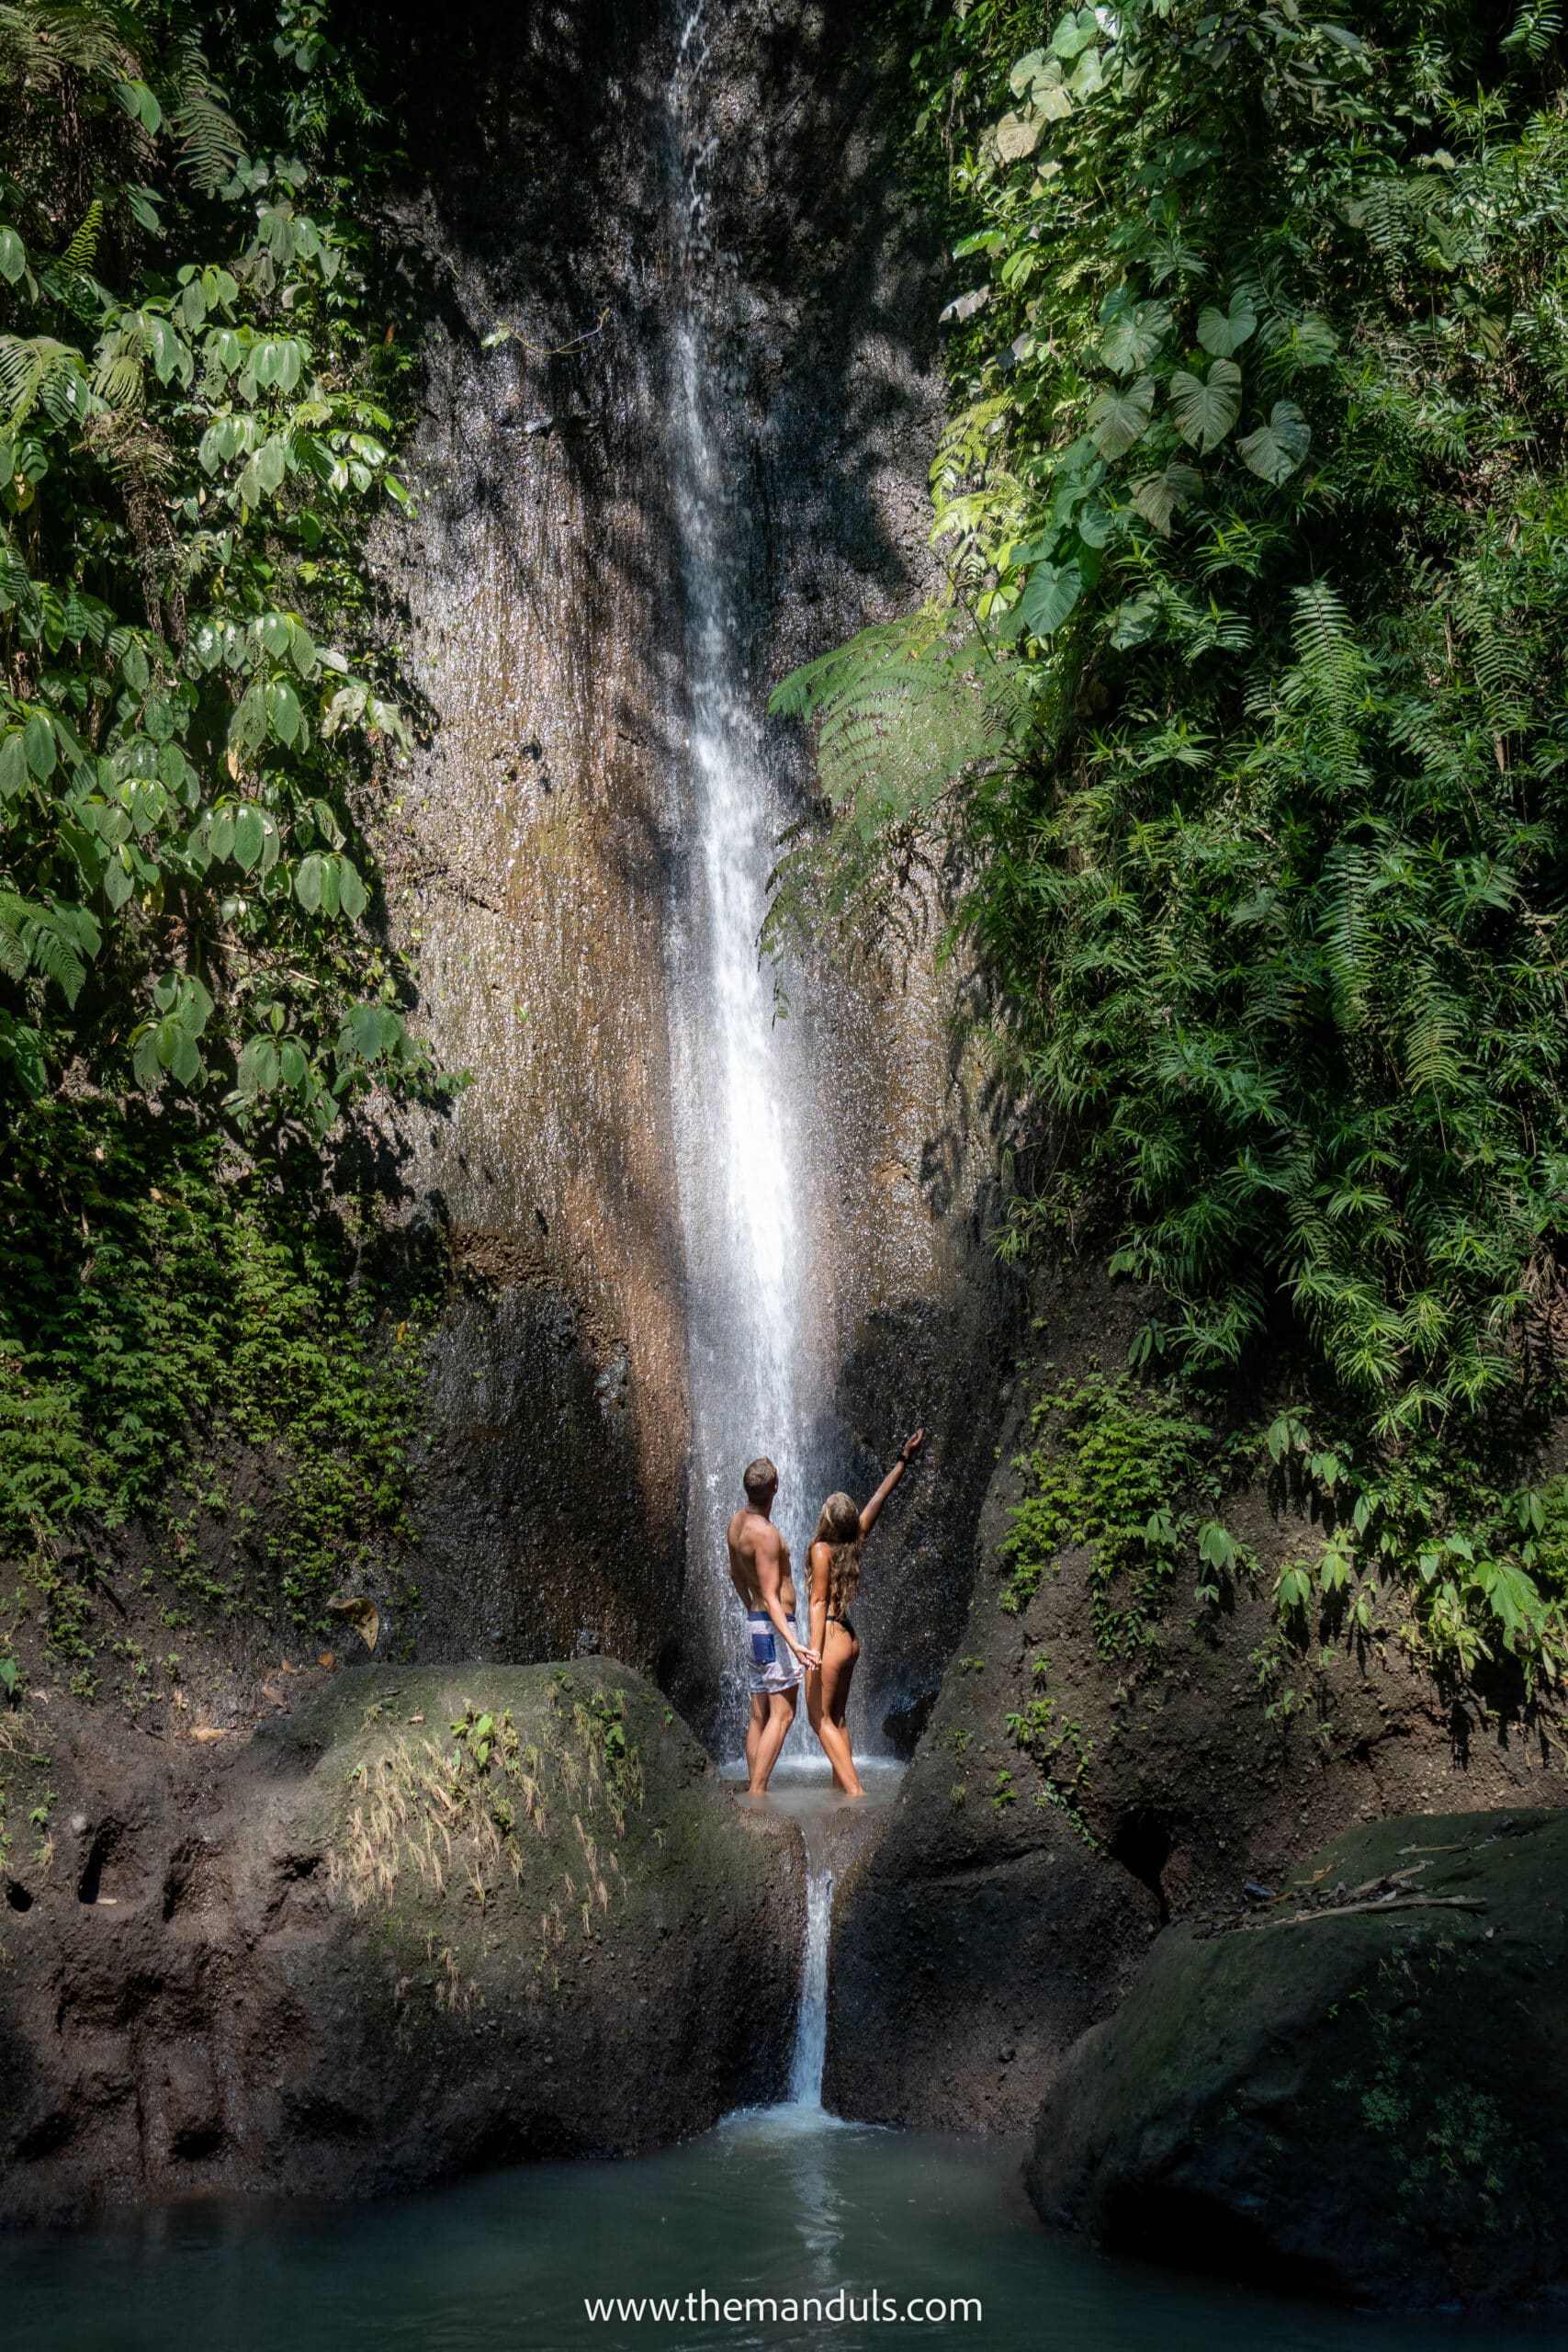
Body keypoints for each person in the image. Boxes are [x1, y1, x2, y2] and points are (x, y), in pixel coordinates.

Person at [806, 1430, 925, 1795]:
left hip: (828, 1636)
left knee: (819, 1719)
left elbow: (818, 1602)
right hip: (849, 1638)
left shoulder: (822, 1549)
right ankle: (839, 1793)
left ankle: (856, 1794)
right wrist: (903, 1460)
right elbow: (879, 1497)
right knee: (838, 1719)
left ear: (827, 1518)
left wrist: (813, 1651)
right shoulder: (855, 1539)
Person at [727, 1455, 820, 1795]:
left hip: (757, 1624)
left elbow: (737, 1577)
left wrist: (753, 1617)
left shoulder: (736, 1523)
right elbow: (770, 1595)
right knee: (783, 1714)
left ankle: (755, 1788)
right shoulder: (764, 1535)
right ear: (776, 1488)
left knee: (759, 1714)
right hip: (774, 1626)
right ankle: (757, 1793)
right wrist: (794, 1644)